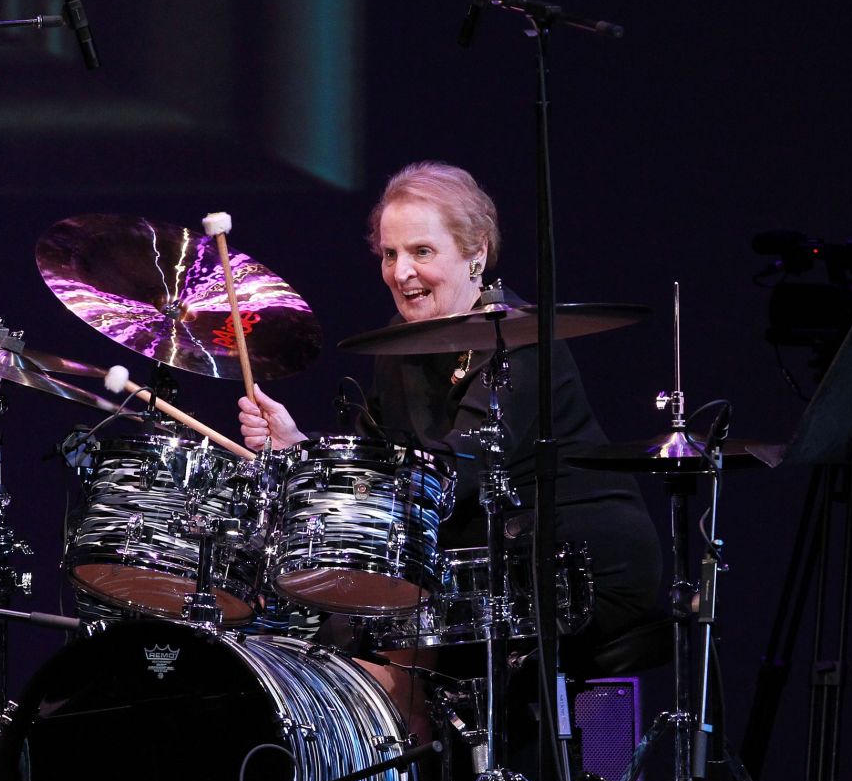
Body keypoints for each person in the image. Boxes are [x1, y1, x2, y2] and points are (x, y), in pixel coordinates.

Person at [239, 161, 663, 729]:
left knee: (394, 635)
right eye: (389, 255)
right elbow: (378, 464)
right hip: (480, 562)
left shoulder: (521, 340)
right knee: (346, 618)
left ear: (476, 253)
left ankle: (409, 780)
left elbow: (456, 476)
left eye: (421, 251)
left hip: (574, 563)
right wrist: (300, 449)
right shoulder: (402, 344)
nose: (401, 272)